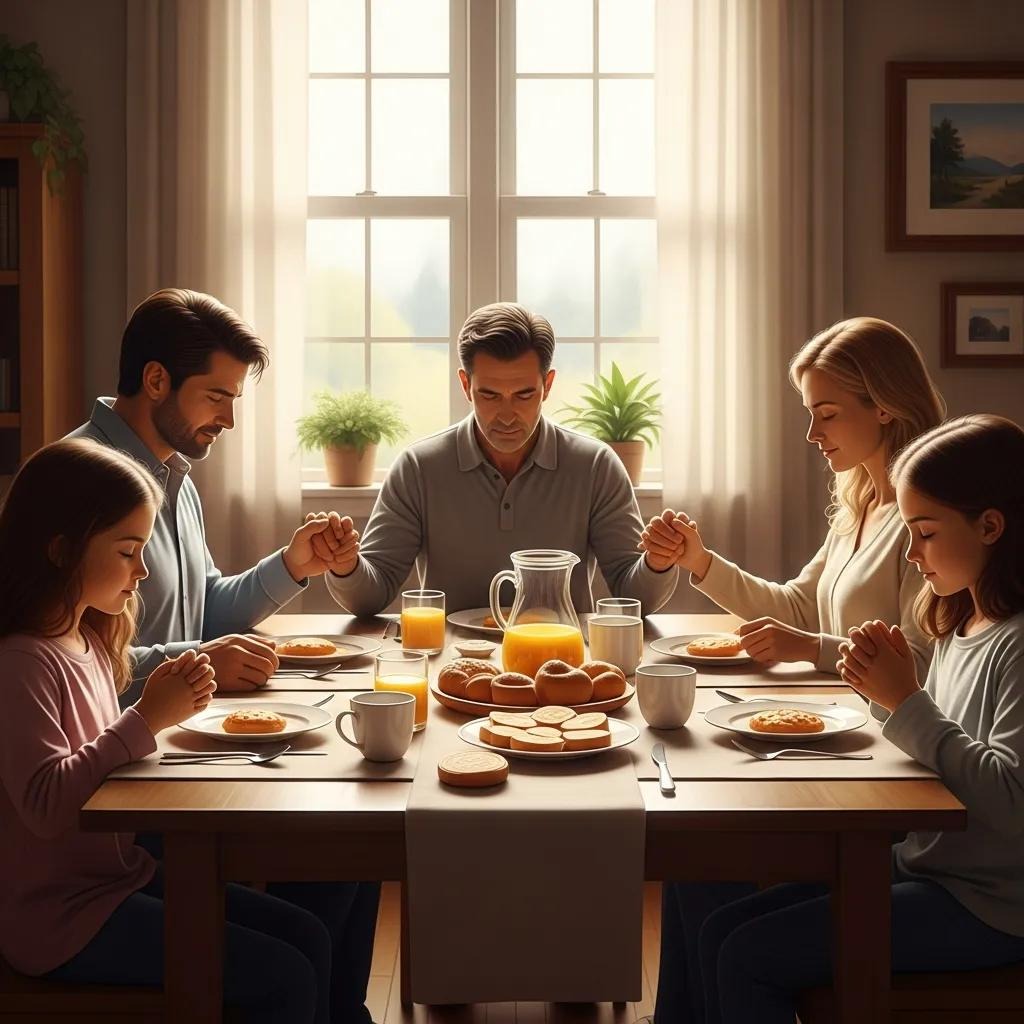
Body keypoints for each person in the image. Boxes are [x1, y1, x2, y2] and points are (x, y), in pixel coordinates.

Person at [660, 415, 1024, 1024]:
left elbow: (1010, 802)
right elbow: (934, 747)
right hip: (927, 866)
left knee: (747, 954)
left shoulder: (1014, 645)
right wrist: (882, 691)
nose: (912, 553)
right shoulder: (964, 625)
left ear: (990, 526)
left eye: (925, 533)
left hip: (989, 905)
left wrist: (905, 702)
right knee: (717, 915)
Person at [0, 439, 330, 1022]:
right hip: (61, 919)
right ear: (60, 551)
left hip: (118, 880)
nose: (144, 570)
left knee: (310, 935)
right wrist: (148, 717)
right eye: (128, 552)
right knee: (285, 976)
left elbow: (111, 762)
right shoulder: (23, 661)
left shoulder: (87, 640)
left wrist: (166, 719)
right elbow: (49, 804)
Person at [68, 288, 345, 697]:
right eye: (216, 397)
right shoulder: (73, 480)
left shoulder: (176, 476)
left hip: (174, 726)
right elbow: (71, 660)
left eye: (232, 399)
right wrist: (196, 662)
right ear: (157, 380)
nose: (229, 420)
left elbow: (203, 610)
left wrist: (292, 566)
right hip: (107, 745)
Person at [322, 301, 680, 615]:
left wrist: (657, 562)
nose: (507, 415)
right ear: (466, 385)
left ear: (548, 385)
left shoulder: (596, 466)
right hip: (449, 664)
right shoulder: (418, 467)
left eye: (524, 395)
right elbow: (371, 597)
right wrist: (346, 566)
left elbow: (633, 597)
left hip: (561, 662)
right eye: (490, 395)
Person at [640, 316, 944, 677]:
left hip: (883, 727)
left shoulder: (926, 521)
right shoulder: (861, 509)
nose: (813, 433)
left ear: (883, 407)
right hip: (841, 711)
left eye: (827, 414)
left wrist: (811, 648)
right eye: (811, 414)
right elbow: (797, 607)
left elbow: (922, 665)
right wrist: (699, 560)